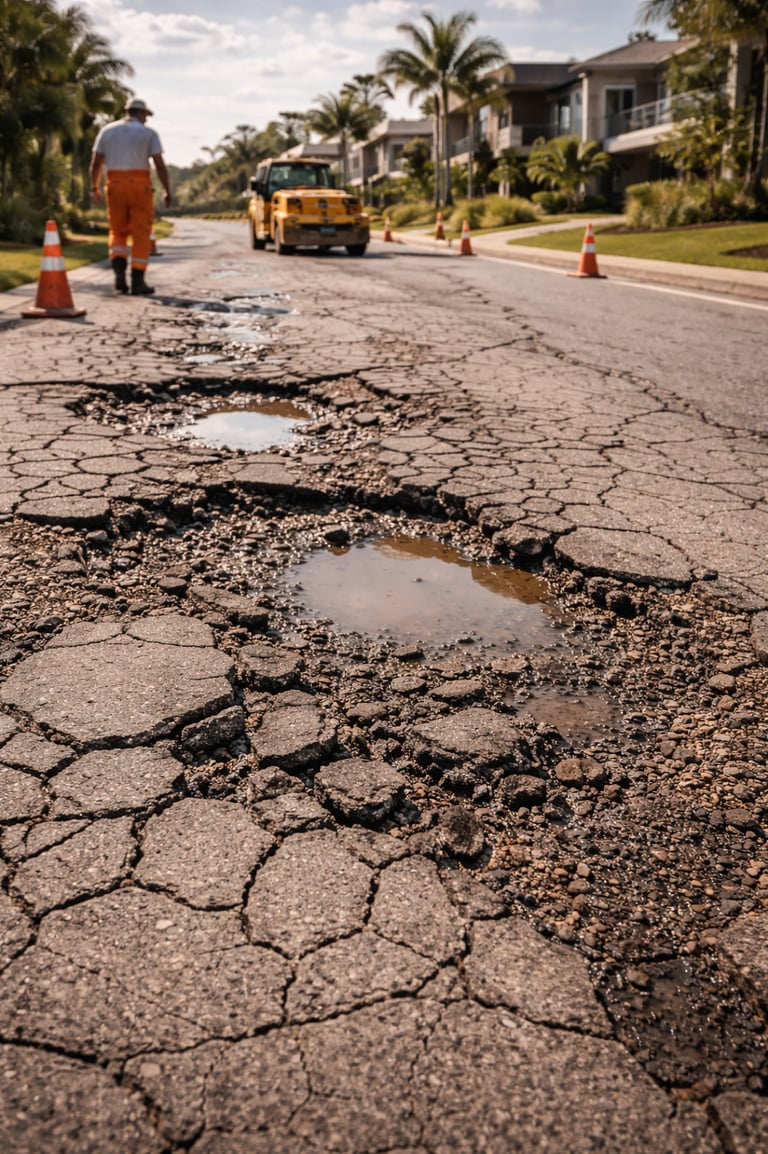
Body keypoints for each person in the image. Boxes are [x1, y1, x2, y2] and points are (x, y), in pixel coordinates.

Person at [89, 97, 172, 296]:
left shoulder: (107, 131)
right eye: (146, 116)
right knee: (141, 232)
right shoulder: (148, 133)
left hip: (114, 184)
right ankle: (137, 281)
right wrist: (167, 189)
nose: (146, 119)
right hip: (139, 185)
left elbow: (96, 162)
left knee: (117, 231)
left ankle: (119, 275)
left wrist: (94, 187)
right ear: (140, 113)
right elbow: (159, 164)